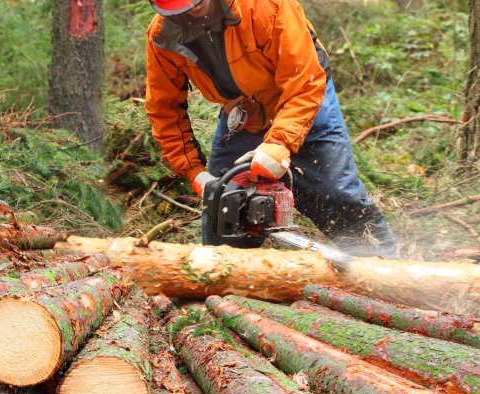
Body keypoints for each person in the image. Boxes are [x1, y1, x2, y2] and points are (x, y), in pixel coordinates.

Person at [144, 0, 397, 256]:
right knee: (223, 204)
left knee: (336, 193)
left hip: (304, 97)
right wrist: (194, 172)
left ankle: (383, 268)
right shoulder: (162, 36)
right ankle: (226, 283)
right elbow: (164, 110)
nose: (192, 9)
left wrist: (280, 143)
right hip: (244, 112)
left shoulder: (266, 6)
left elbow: (305, 82)